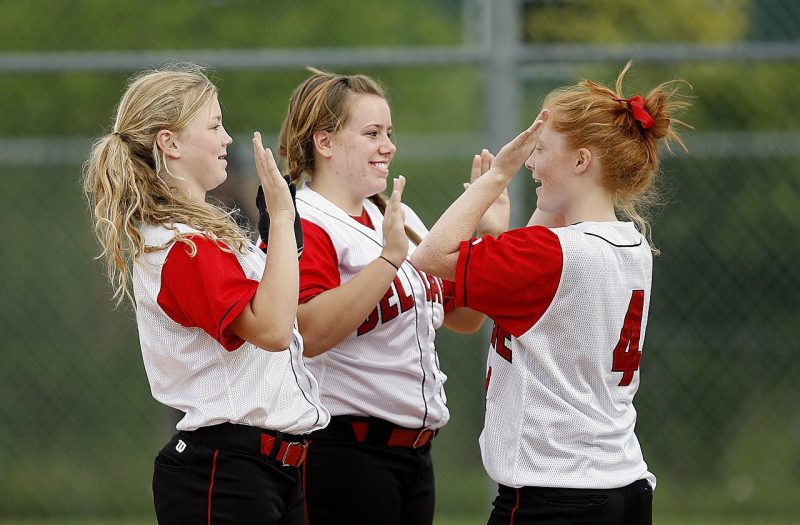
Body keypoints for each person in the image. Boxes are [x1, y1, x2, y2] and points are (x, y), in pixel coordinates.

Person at [411, 61, 690, 525]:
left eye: (539, 151)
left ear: (582, 161)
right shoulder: (631, 244)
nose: (531, 164)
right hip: (623, 485)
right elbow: (540, 280)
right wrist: (510, 225)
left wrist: (496, 175)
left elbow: (430, 258)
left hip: (555, 495)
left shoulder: (552, 255)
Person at [82, 63, 330, 525]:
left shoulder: (203, 237)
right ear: (169, 142)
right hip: (226, 472)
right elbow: (273, 331)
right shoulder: (183, 245)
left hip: (267, 470)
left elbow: (274, 315)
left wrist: (278, 240)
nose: (226, 139)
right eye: (214, 125)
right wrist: (278, 220)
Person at [266, 68, 501, 525]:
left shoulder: (397, 215)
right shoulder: (304, 221)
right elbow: (308, 331)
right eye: (371, 133)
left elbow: (464, 317)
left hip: (414, 455)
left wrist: (488, 239)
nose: (388, 146)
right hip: (343, 453)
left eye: (389, 133)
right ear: (325, 142)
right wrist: (389, 261)